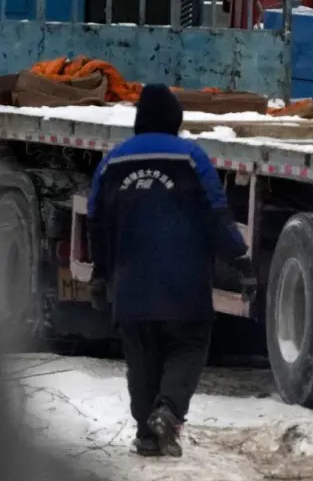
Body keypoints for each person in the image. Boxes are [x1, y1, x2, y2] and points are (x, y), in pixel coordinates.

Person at [87, 84, 248, 458]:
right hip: (184, 284)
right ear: (175, 119)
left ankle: (146, 434)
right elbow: (216, 212)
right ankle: (170, 411)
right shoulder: (192, 156)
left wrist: (100, 272)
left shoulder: (113, 161)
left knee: (141, 358)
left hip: (130, 286)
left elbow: (96, 220)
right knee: (188, 346)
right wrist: (239, 259)